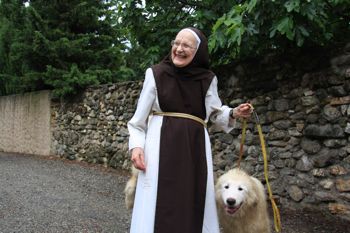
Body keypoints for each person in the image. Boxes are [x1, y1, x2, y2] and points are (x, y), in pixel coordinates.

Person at [127, 27, 252, 233]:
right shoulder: (156, 74)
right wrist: (137, 147)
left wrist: (233, 113)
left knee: (192, 197)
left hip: (194, 150)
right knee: (156, 201)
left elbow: (214, 114)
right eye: (176, 43)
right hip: (159, 149)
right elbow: (137, 121)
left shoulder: (207, 79)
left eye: (186, 45)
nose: (179, 49)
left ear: (198, 51)